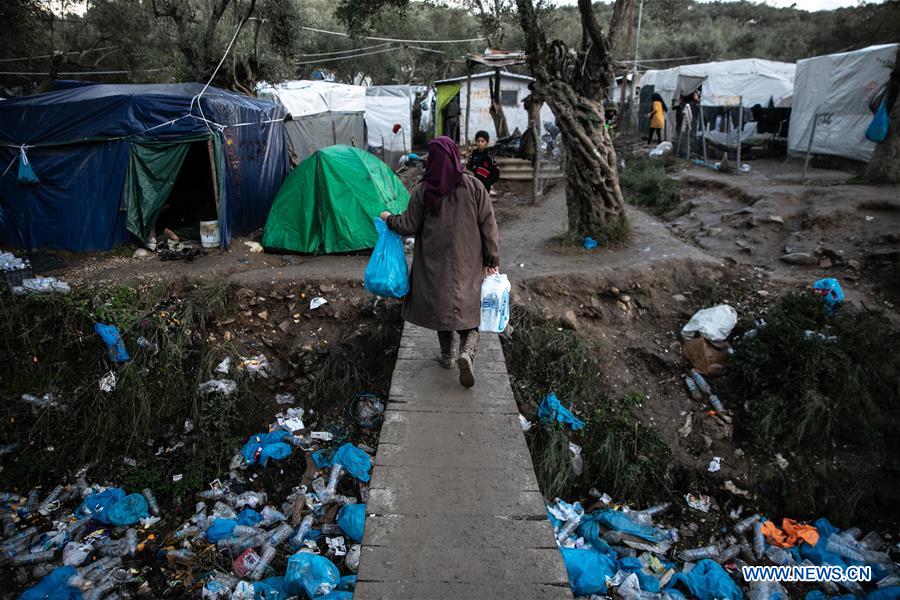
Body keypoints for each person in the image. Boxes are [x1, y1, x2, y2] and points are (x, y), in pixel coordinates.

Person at [379, 136, 500, 389]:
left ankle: (447, 357)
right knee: (468, 308)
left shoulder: (424, 190)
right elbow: (489, 227)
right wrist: (492, 260)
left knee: (441, 306)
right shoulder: (475, 187)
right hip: (468, 261)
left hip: (434, 264)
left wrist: (390, 218)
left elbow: (408, 225)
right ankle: (467, 350)